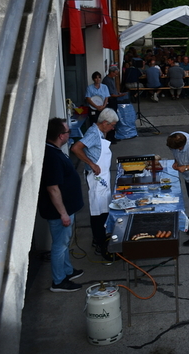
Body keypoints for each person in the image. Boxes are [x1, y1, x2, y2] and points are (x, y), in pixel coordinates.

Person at [40, 118, 85, 292]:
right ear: (61, 136)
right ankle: (58, 281)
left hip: (65, 210)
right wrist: (63, 213)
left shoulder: (54, 150)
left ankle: (67, 271)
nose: (69, 134)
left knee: (64, 243)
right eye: (68, 132)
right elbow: (53, 189)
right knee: (59, 245)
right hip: (59, 213)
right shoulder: (51, 156)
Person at [71, 108, 119, 264]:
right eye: (112, 125)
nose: (113, 128)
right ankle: (100, 242)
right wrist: (90, 163)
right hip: (96, 177)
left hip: (103, 175)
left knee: (104, 208)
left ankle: (100, 238)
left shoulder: (100, 132)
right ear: (104, 123)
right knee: (97, 211)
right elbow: (76, 148)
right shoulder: (93, 133)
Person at [102, 65, 127, 143]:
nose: (116, 75)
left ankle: (112, 136)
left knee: (113, 118)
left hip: (114, 99)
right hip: (111, 100)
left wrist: (118, 93)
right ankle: (110, 137)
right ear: (111, 72)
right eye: (115, 74)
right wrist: (119, 95)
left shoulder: (111, 79)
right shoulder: (107, 80)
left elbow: (114, 91)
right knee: (111, 118)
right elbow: (111, 94)